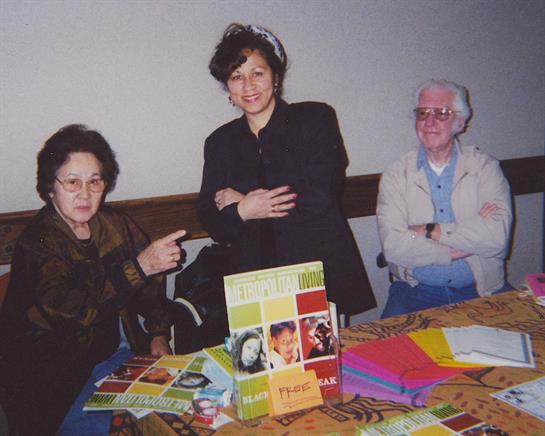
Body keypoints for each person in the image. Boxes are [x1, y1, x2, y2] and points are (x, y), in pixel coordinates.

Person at [0, 124, 186, 435]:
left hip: (115, 356)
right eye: (72, 182)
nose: (84, 193)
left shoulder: (114, 223)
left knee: (179, 414)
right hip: (54, 379)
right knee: (114, 430)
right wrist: (139, 266)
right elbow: (77, 313)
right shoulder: (39, 243)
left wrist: (158, 333)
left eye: (94, 181)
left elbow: (150, 287)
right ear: (50, 186)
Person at [197, 23, 377, 318]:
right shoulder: (219, 142)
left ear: (276, 76)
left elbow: (320, 195)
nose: (248, 85)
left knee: (320, 351)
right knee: (260, 350)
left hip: (316, 272)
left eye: (257, 73)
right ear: (227, 87)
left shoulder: (315, 118)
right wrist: (242, 211)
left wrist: (246, 203)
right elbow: (210, 219)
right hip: (252, 281)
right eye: (236, 77)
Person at [377, 80, 512, 318]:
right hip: (415, 291)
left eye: (441, 113)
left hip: (481, 291)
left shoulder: (485, 168)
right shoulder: (396, 174)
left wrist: (428, 230)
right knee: (386, 343)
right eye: (423, 113)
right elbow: (394, 247)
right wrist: (458, 248)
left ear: (460, 122)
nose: (429, 122)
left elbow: (496, 238)